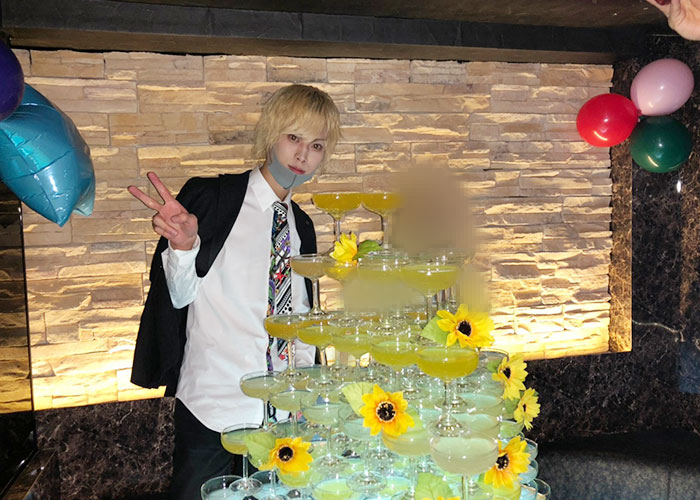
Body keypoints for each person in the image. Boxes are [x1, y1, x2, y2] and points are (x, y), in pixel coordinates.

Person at [127, 84, 341, 500]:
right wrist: (183, 247)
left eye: (316, 146)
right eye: (293, 138)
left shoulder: (302, 225)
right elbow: (179, 296)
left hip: (282, 417)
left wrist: (306, 391)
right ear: (270, 135)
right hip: (214, 406)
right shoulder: (213, 198)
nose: (302, 155)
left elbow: (298, 315)